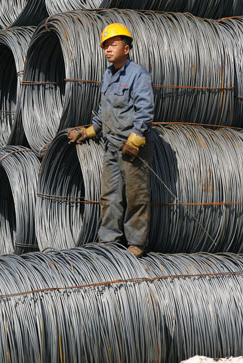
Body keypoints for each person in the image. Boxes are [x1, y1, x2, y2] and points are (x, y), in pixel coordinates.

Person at [68, 23, 154, 258]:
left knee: (136, 196)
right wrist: (87, 132)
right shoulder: (108, 75)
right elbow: (104, 111)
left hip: (132, 148)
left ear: (126, 49)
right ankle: (109, 241)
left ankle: (136, 243)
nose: (107, 49)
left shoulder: (138, 74)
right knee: (110, 195)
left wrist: (135, 139)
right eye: (105, 45)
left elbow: (145, 110)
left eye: (112, 44)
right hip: (111, 146)